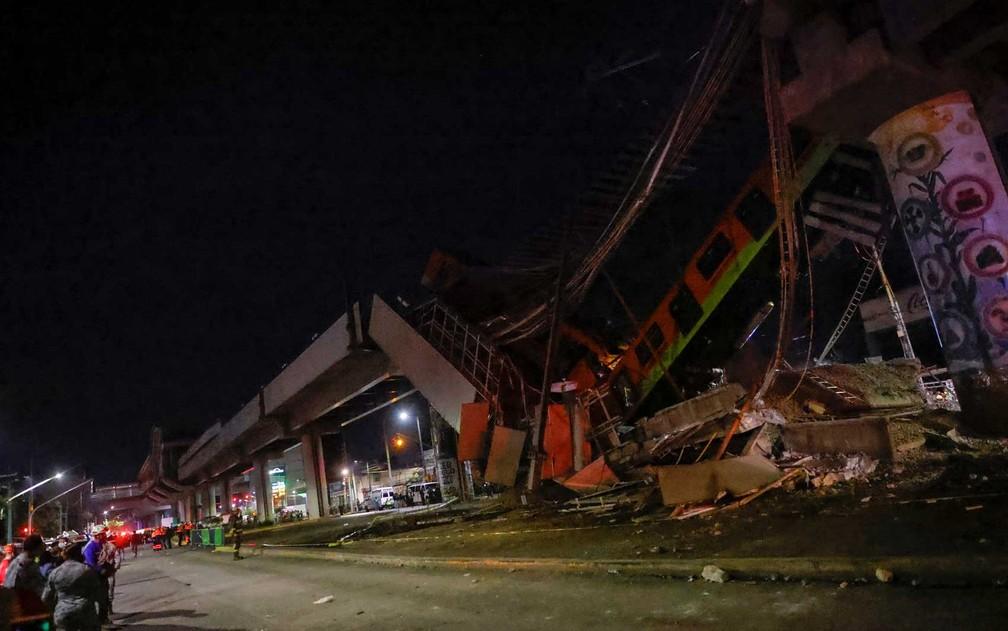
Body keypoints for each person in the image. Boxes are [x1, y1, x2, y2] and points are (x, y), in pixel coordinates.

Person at [42, 541, 103, 631]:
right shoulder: (87, 571)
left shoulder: (55, 572)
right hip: (85, 613)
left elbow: (46, 598)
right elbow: (99, 593)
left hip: (63, 613)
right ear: (79, 555)